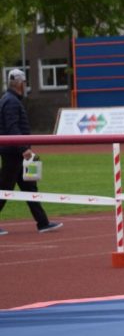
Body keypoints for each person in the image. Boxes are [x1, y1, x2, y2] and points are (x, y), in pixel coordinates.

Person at [0, 68, 63, 235]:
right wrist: (24, 148)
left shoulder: (9, 99)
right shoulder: (11, 102)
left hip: (15, 151)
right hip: (14, 153)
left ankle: (43, 222)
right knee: (5, 188)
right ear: (19, 83)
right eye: (24, 82)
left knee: (29, 188)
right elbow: (12, 127)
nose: (25, 85)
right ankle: (43, 223)